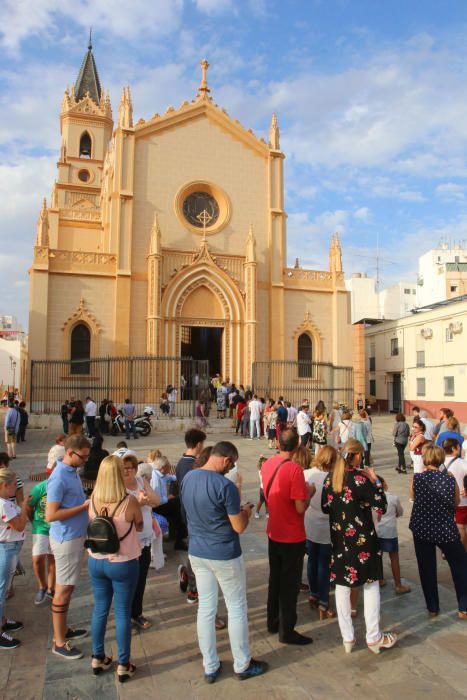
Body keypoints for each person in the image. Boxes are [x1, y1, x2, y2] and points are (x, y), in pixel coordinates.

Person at [181, 441, 268, 682]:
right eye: (232, 463)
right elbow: (238, 526)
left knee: (206, 609)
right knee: (236, 607)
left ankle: (210, 665)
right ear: (226, 460)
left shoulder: (189, 477)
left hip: (197, 551)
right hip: (224, 553)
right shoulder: (224, 486)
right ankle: (242, 663)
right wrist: (246, 512)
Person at [322, 438, 397, 654]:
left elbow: (325, 507)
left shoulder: (331, 479)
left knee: (343, 587)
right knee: (370, 585)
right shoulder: (359, 480)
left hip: (340, 540)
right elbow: (381, 504)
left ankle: (348, 638)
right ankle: (373, 637)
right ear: (356, 456)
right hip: (363, 540)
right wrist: (376, 481)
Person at [87, 455, 143, 681]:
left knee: (100, 608)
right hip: (123, 562)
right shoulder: (129, 501)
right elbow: (139, 526)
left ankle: (97, 657)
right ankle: (124, 663)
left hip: (96, 560)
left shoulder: (93, 499)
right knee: (122, 612)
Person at [262, 429, 314, 645]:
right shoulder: (294, 470)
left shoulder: (267, 464)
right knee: (289, 584)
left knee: (275, 578)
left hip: (273, 530)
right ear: (298, 444)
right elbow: (300, 507)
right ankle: (287, 630)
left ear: (277, 443)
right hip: (292, 535)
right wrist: (310, 492)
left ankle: (272, 621)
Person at [46, 434, 91, 660]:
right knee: (62, 590)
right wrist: (83, 507)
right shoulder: (59, 478)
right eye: (82, 457)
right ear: (70, 453)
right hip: (66, 540)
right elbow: (51, 515)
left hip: (75, 538)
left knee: (69, 587)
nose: (85, 461)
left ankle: (63, 628)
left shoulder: (72, 472)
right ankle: (59, 641)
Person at [409, 444, 467, 619]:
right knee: (460, 566)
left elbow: (413, 497)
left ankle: (432, 607)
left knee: (426, 569)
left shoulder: (417, 479)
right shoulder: (449, 479)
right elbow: (456, 502)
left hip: (422, 528)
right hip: (445, 529)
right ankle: (463, 606)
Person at [121, 453, 159, 629]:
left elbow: (157, 501)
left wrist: (146, 499)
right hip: (126, 539)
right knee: (125, 580)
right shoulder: (116, 485)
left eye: (131, 467)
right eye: (124, 467)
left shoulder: (140, 481)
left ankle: (137, 613)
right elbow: (120, 511)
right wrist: (139, 503)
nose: (128, 470)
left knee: (141, 577)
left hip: (144, 537)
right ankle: (123, 614)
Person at [303, 446, 337, 619]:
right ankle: (323, 601)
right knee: (324, 564)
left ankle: (313, 593)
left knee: (312, 560)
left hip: (309, 523)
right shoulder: (333, 478)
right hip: (326, 526)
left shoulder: (306, 473)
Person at [175, 429, 207, 603]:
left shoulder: (181, 462)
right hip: (192, 514)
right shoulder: (192, 465)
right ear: (199, 444)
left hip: (186, 512)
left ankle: (186, 573)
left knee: (195, 550)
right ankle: (193, 589)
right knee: (197, 552)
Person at [0, 469, 28, 649]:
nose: (15, 489)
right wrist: (24, 507)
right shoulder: (3, 504)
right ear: (5, 485)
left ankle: (2, 620)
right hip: (7, 548)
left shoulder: (6, 503)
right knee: (1, 589)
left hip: (10, 547)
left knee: (4, 587)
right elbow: (19, 525)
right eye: (13, 485)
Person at [375, 476, 410, 594]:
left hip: (376, 531)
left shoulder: (370, 498)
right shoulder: (393, 498)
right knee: (394, 558)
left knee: (377, 556)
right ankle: (398, 585)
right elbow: (400, 512)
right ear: (384, 484)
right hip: (389, 532)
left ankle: (379, 579)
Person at [26, 477, 56, 605]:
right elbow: (28, 505)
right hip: (40, 527)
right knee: (37, 559)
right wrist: (33, 520)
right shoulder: (40, 487)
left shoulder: (66, 486)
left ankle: (51, 589)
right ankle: (42, 586)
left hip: (56, 528)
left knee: (52, 559)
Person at [151, 456, 187, 550]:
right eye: (168, 466)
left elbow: (172, 478)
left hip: (162, 503)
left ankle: (177, 536)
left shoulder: (161, 474)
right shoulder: (155, 479)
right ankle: (179, 539)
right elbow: (157, 500)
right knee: (180, 507)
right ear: (163, 468)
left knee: (179, 505)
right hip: (157, 506)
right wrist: (168, 498)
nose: (170, 468)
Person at [443, 437, 467, 549]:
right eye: (458, 446)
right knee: (461, 526)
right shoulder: (462, 463)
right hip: (462, 500)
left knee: (447, 526)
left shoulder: (440, 463)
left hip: (445, 500)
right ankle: (462, 550)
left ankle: (447, 549)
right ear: (454, 448)